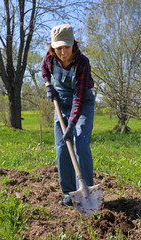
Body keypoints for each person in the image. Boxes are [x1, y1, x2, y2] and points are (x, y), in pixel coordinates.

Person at [41, 24, 95, 206]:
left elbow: (79, 97)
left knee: (80, 144)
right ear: (53, 47)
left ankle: (87, 190)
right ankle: (69, 194)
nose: (62, 52)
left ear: (73, 44)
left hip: (83, 103)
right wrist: (49, 86)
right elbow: (44, 70)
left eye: (66, 47)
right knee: (62, 148)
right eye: (58, 48)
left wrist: (71, 123)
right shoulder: (50, 57)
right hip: (61, 103)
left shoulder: (82, 62)